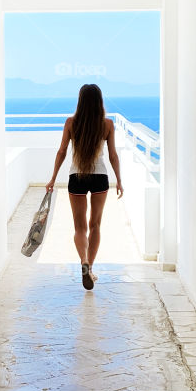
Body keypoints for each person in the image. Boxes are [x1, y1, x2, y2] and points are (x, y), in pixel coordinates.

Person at [46, 83, 123, 290]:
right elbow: (113, 155)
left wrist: (53, 178)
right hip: (100, 177)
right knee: (95, 225)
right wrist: (119, 180)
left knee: (79, 227)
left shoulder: (71, 123)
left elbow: (61, 152)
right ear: (100, 101)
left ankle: (83, 262)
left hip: (77, 177)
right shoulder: (107, 124)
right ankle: (90, 268)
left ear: (80, 101)